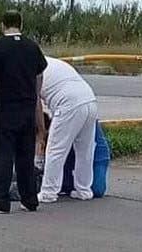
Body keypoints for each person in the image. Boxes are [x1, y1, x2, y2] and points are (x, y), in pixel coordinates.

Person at [0, 10, 47, 214]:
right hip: (27, 107)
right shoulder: (32, 47)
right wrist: (34, 99)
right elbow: (39, 75)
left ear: (2, 25)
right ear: (21, 24)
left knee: (3, 153)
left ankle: (0, 201)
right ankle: (29, 199)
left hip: (5, 107)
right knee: (25, 154)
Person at [37, 56, 98, 203]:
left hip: (68, 103)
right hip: (89, 99)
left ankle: (48, 192)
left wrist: (41, 130)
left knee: (55, 148)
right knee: (85, 149)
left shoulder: (31, 66)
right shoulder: (52, 62)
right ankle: (84, 189)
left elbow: (35, 102)